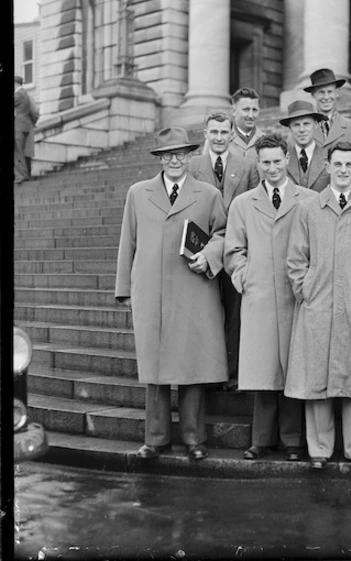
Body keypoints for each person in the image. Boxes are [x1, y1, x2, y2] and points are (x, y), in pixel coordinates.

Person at [115, 127, 228, 461]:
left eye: (180, 153)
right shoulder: (138, 192)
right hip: (151, 289)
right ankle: (156, 438)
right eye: (168, 154)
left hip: (194, 288)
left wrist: (209, 256)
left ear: (190, 156)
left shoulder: (208, 194)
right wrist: (124, 289)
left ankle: (194, 439)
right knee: (156, 368)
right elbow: (128, 242)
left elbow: (222, 233)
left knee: (192, 365)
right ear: (160, 158)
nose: (175, 159)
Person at [284, 142, 351, 470]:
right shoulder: (309, 208)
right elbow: (296, 259)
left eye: (349, 164)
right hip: (318, 305)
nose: (343, 170)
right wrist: (306, 292)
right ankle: (319, 448)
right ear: (328, 167)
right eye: (338, 164)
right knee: (317, 378)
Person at [224, 134, 317, 462]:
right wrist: (244, 276)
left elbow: (317, 248)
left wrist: (308, 286)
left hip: (296, 297)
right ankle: (261, 439)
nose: (273, 168)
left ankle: (293, 441)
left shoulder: (308, 199)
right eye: (266, 162)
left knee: (293, 370)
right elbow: (233, 249)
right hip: (260, 296)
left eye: (278, 161)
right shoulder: (243, 203)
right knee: (263, 372)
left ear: (287, 160)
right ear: (258, 164)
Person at [189, 110, 260, 390]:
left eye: (224, 132)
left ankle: (232, 373)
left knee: (234, 312)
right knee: (206, 313)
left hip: (235, 250)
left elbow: (254, 204)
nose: (219, 138)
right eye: (213, 132)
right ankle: (207, 372)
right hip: (203, 249)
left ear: (233, 134)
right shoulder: (194, 165)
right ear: (206, 134)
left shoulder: (247, 165)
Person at [303, 68, 351, 156]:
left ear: (337, 92)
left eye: (330, 92)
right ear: (313, 94)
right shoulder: (303, 130)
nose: (326, 97)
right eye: (321, 92)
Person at [280, 100, 331, 192]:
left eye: (306, 124)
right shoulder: (281, 159)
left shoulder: (328, 156)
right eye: (296, 125)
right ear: (290, 128)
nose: (302, 130)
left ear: (315, 125)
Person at [14, 75, 39, 184]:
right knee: (23, 152)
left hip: (19, 126)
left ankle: (22, 176)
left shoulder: (18, 94)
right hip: (26, 126)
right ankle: (25, 175)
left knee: (18, 152)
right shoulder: (27, 95)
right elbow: (34, 112)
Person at [229, 87, 265, 162]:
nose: (251, 116)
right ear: (233, 111)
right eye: (246, 109)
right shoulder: (222, 140)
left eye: (254, 110)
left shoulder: (266, 141)